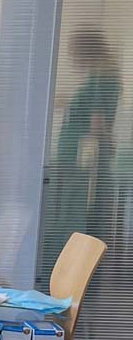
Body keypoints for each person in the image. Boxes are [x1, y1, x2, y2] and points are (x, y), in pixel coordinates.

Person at [43, 27, 123, 279]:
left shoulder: (101, 78)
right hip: (77, 159)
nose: (71, 59)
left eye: (73, 53)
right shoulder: (103, 77)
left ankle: (62, 275)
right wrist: (69, 103)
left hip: (79, 160)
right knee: (70, 213)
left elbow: (97, 122)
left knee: (70, 217)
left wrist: (105, 142)